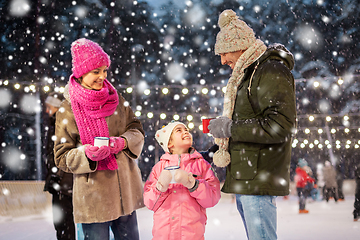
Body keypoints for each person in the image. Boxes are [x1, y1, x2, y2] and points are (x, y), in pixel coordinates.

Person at [208, 9, 296, 240]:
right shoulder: (248, 75)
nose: (222, 60)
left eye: (225, 53)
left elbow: (279, 125)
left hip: (258, 177)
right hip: (246, 174)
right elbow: (252, 122)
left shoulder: (269, 70)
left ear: (240, 45)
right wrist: (221, 145)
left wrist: (229, 128)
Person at [54, 38, 145, 240]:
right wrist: (86, 153)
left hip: (125, 194)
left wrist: (122, 142)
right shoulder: (67, 108)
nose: (102, 76)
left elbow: (136, 129)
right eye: (96, 71)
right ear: (81, 73)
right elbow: (61, 157)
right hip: (94, 198)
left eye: (105, 70)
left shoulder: (116, 98)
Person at [143, 121, 221, 240]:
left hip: (192, 235)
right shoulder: (158, 168)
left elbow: (213, 198)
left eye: (187, 130)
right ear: (169, 143)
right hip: (163, 235)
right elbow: (149, 203)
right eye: (179, 130)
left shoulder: (202, 165)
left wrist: (193, 184)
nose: (185, 132)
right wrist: (159, 188)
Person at [43, 92, 75, 240]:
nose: (47, 111)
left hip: (63, 182)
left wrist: (57, 175)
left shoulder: (60, 124)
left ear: (56, 107)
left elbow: (62, 153)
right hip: (62, 182)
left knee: (64, 223)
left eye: (49, 107)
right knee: (63, 223)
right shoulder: (58, 123)